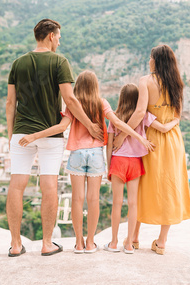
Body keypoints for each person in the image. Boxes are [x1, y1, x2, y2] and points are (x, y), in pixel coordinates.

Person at [18, 72, 154, 254]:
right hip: (96, 154)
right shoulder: (102, 103)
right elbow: (117, 123)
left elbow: (60, 127)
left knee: (77, 199)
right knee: (93, 199)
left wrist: (34, 136)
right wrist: (138, 137)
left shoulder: (73, 105)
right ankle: (91, 243)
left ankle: (79, 243)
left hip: (77, 155)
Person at [6, 19, 103, 257]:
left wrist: (12, 134)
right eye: (59, 37)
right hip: (51, 134)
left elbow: (10, 103)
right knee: (48, 185)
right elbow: (70, 100)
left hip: (21, 133)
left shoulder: (18, 64)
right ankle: (47, 243)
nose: (59, 41)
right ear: (50, 36)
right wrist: (90, 125)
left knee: (17, 185)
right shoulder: (60, 62)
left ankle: (16, 245)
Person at [113, 45, 190, 255]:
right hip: (173, 140)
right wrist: (166, 126)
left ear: (156, 61)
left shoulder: (145, 81)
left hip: (150, 140)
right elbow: (177, 115)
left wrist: (123, 134)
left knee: (142, 186)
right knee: (169, 186)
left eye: (150, 57)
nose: (149, 60)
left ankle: (134, 237)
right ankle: (162, 241)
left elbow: (140, 113)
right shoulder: (176, 82)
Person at [104, 83, 179, 254]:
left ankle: (114, 243)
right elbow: (164, 128)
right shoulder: (144, 115)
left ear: (121, 98)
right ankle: (130, 244)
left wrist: (108, 167)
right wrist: (175, 119)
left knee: (116, 203)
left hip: (118, 162)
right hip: (135, 164)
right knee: (133, 204)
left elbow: (109, 145)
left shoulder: (115, 117)